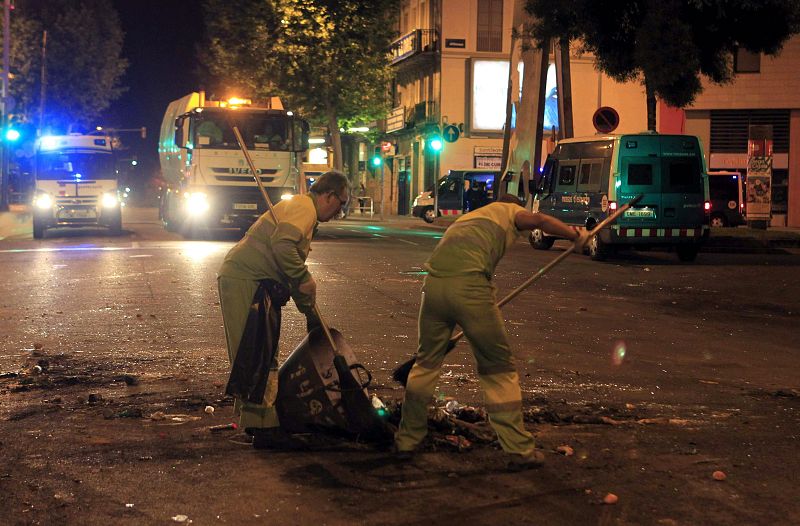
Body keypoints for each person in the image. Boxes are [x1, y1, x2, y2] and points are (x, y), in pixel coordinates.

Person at [394, 194, 590, 469]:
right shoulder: (509, 212)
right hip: (470, 288)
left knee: (425, 364)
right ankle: (519, 449)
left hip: (434, 287)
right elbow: (540, 220)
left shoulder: (471, 217)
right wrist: (574, 235)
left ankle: (407, 440)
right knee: (497, 368)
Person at [217, 171, 350, 449]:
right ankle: (264, 429)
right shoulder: (304, 209)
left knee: (258, 353)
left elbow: (292, 272)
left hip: (254, 282)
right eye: (341, 204)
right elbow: (283, 246)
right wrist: (304, 278)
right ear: (329, 196)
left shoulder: (302, 211)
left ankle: (255, 421)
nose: (340, 212)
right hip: (245, 279)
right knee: (256, 355)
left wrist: (310, 313)